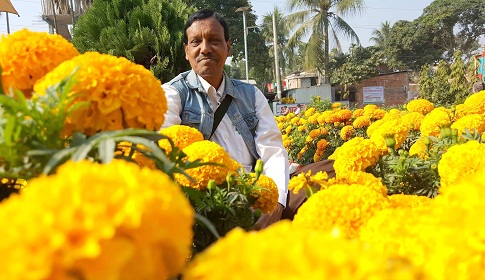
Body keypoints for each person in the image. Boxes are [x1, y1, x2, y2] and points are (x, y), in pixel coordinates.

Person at [161, 9, 289, 229]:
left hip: (253, 194)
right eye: (196, 42)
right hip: (205, 205)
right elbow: (163, 151)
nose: (205, 49)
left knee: (321, 181)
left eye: (214, 40)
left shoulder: (251, 95)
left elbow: (272, 150)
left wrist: (276, 203)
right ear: (186, 51)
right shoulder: (173, 94)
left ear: (228, 47)